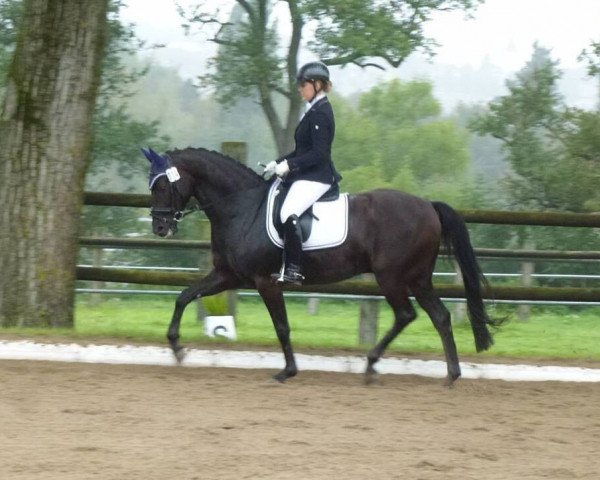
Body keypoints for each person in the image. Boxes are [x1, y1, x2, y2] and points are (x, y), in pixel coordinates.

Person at [263, 61, 342, 285]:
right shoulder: (313, 110)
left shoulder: (321, 112)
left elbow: (319, 154)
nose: (300, 89)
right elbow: (300, 150)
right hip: (308, 174)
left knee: (288, 212)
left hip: (319, 176)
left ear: (317, 84)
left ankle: (294, 269)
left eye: (303, 85)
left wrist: (290, 166)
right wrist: (277, 162)